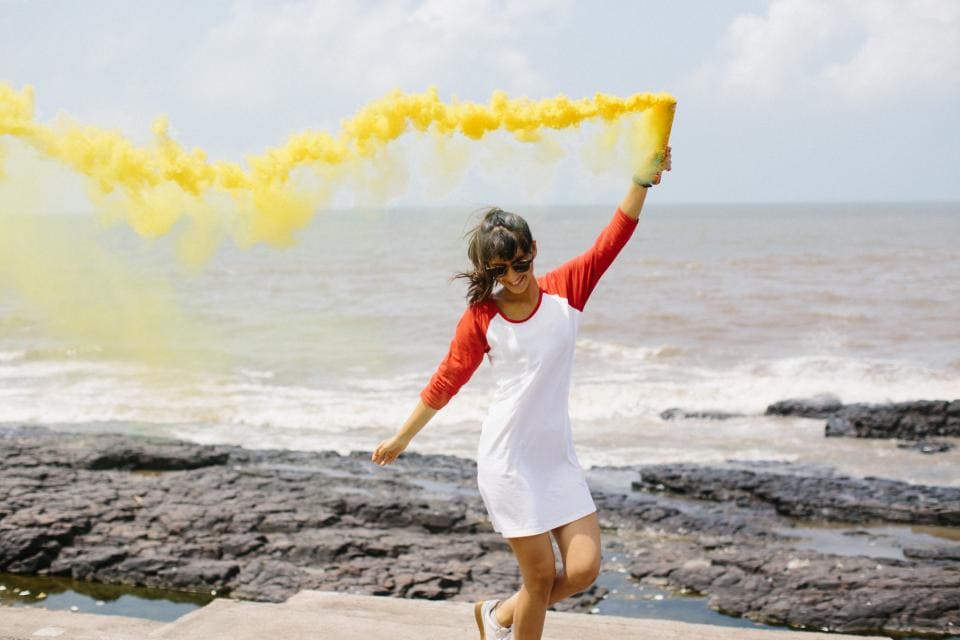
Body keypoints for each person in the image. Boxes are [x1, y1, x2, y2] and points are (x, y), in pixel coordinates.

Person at [371, 146, 672, 640]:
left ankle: (497, 617)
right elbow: (446, 380)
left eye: (519, 263)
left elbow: (612, 240)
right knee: (537, 578)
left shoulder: (566, 291)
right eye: (499, 271)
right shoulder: (482, 319)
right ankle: (507, 627)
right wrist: (403, 437)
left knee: (583, 570)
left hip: (556, 459)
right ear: (488, 272)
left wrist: (640, 181)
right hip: (508, 461)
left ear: (533, 250)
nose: (512, 278)